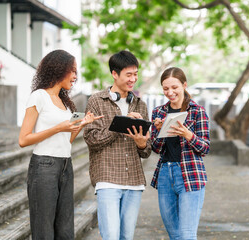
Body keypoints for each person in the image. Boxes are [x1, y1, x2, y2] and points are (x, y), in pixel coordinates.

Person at [18, 49, 103, 239]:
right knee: (44, 228)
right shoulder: (39, 96)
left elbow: (67, 140)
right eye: (71, 70)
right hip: (44, 166)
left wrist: (80, 125)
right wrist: (58, 127)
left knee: (65, 229)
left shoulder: (66, 103)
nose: (75, 76)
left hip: (65, 164)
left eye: (76, 72)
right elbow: (23, 139)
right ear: (57, 69)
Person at [83, 50, 151, 240]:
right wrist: (120, 123)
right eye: (128, 74)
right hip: (107, 178)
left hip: (134, 181)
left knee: (126, 237)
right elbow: (92, 139)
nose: (133, 79)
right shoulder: (96, 101)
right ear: (115, 74)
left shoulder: (140, 104)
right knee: (111, 236)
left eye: (135, 74)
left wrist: (141, 144)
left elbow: (146, 151)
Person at [150, 67, 210, 240]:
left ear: (184, 85)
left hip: (190, 174)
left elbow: (205, 148)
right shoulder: (158, 112)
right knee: (174, 234)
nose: (170, 92)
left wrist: (188, 135)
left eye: (174, 87)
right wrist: (160, 131)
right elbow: (156, 148)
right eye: (165, 88)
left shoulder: (197, 112)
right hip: (165, 175)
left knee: (186, 234)